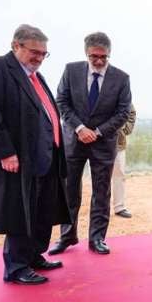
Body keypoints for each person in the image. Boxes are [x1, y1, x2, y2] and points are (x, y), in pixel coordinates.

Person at [0, 24, 70, 285]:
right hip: (17, 159)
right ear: (16, 45)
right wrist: (4, 152)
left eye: (43, 54)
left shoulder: (37, 77)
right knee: (19, 213)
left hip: (44, 158)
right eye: (34, 52)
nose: (39, 58)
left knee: (40, 211)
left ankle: (33, 256)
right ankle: (16, 267)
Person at [49, 32, 132, 256]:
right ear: (86, 53)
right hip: (73, 141)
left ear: (109, 54)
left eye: (104, 57)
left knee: (101, 192)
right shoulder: (71, 70)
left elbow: (123, 112)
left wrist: (96, 132)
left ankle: (97, 238)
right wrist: (80, 128)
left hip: (103, 143)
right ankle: (67, 236)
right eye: (94, 56)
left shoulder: (121, 78)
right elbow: (62, 101)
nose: (98, 61)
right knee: (69, 191)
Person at [111, 103, 136, 219]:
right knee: (98, 176)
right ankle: (100, 208)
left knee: (119, 174)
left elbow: (131, 112)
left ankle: (119, 207)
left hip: (118, 142)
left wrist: (125, 129)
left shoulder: (121, 89)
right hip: (97, 142)